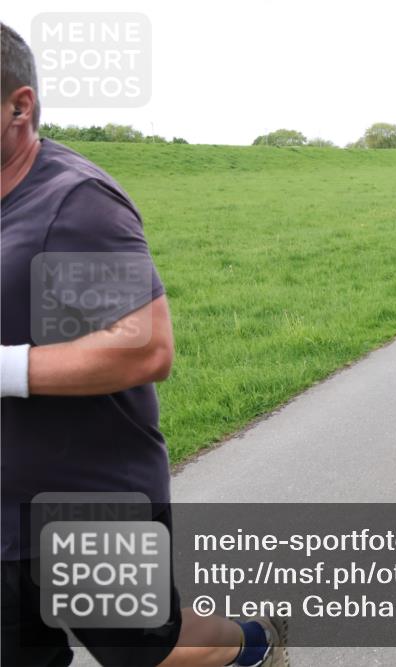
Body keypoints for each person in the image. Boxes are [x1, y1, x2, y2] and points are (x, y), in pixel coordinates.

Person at [0, 23, 287, 667]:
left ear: (20, 106)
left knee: (148, 652)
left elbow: (144, 348)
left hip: (82, 497)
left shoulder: (71, 204)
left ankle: (256, 643)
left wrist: (6, 369)